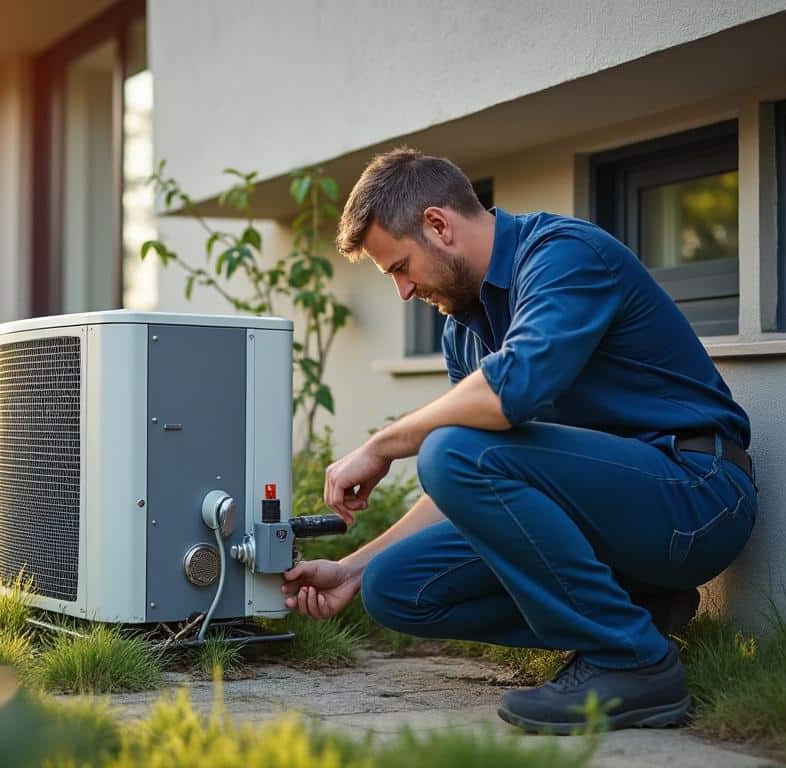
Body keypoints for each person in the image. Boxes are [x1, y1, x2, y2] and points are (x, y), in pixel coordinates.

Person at [280, 147, 757, 733]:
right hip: (614, 522)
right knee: (395, 588)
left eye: (400, 268)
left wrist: (383, 444)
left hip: (695, 494)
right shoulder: (463, 330)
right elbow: (468, 481)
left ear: (438, 225)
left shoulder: (563, 256)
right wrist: (351, 568)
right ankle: (640, 613)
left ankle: (632, 662)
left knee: (450, 448)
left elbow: (510, 396)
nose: (403, 292)